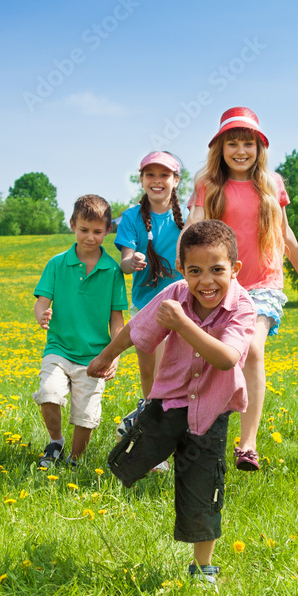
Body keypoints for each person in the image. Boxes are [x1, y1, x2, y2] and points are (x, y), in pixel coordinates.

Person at [87, 220, 256, 587]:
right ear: (182, 269)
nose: (206, 281)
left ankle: (203, 567)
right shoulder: (175, 294)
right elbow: (138, 328)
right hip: (168, 403)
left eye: (217, 270)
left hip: (211, 412)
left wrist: (182, 326)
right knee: (124, 464)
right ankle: (142, 435)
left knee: (203, 484)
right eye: (195, 271)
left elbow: (227, 358)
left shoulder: (243, 308)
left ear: (235, 269)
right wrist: (106, 357)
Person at [184, 107, 298, 471]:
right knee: (216, 358)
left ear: (259, 148)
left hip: (264, 282)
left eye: (248, 143)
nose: (240, 151)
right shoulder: (208, 184)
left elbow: (284, 232)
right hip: (221, 284)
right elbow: (195, 227)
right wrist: (188, 269)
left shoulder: (272, 183)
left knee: (253, 350)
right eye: (233, 143)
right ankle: (203, 433)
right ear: (220, 148)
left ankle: (248, 444)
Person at [32, 194, 127, 469]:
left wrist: (114, 356)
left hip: (95, 356)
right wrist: (43, 317)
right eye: (84, 230)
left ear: (108, 230)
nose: (90, 237)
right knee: (48, 393)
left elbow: (116, 320)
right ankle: (56, 443)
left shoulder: (112, 271)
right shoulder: (56, 264)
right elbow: (41, 304)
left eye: (98, 231)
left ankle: (74, 460)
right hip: (59, 348)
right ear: (73, 224)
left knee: (86, 416)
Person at [114, 151, 185, 456]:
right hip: (147, 307)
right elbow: (125, 261)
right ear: (142, 179)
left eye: (164, 175)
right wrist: (134, 261)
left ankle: (174, 434)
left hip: (184, 306)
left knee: (180, 372)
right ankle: (152, 437)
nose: (157, 181)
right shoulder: (131, 218)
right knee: (150, 374)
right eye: (150, 175)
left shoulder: (187, 216)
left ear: (175, 181)